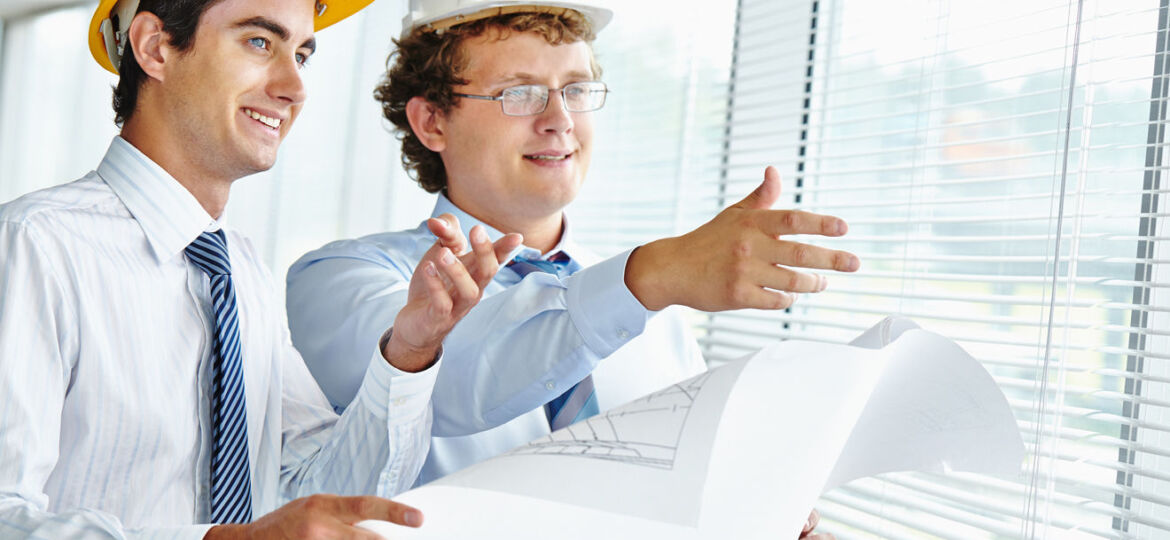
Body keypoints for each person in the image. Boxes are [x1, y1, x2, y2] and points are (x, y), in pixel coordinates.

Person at [287, 1, 855, 537]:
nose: (559, 119)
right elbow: (444, 385)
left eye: (577, 90)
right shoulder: (341, 278)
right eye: (520, 93)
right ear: (432, 120)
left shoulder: (658, 315)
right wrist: (649, 277)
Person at [0, 0, 519, 538]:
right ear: (156, 47)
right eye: (259, 42)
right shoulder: (34, 244)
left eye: (302, 55)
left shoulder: (241, 273)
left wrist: (410, 351)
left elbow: (327, 493)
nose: (295, 88)